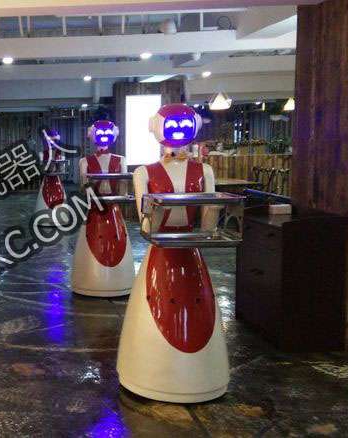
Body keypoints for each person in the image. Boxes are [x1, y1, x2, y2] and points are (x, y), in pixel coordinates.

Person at [116, 103, 229, 403]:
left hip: (184, 251)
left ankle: (186, 378)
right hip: (164, 253)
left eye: (184, 125)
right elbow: (150, 221)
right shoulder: (144, 172)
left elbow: (206, 219)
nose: (178, 131)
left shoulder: (202, 170)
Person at [70, 115, 135, 297]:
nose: (104, 136)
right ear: (92, 135)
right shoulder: (85, 161)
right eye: (100, 133)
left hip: (111, 209)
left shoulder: (120, 160)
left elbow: (122, 189)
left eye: (107, 133)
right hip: (95, 209)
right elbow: (86, 187)